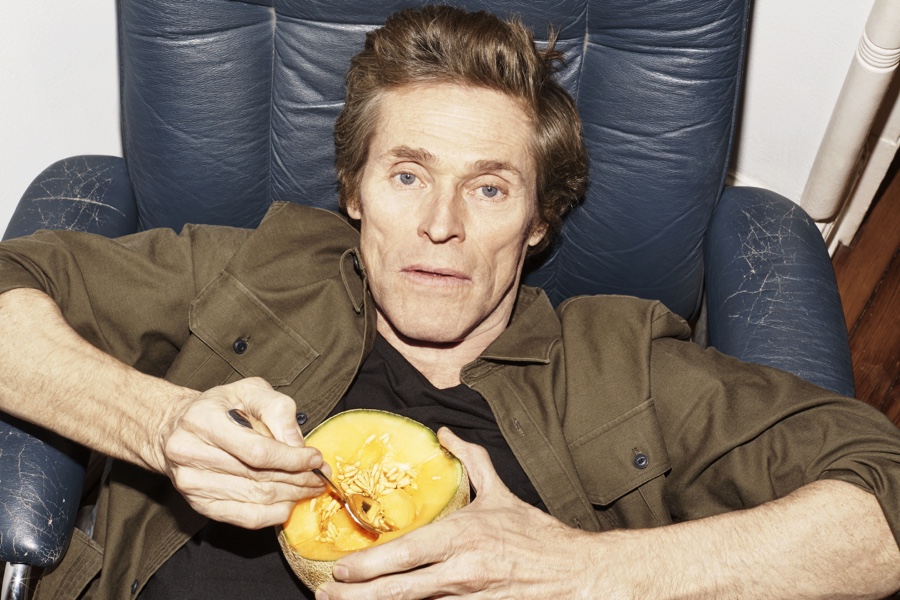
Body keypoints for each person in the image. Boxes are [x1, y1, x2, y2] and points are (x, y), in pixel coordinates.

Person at [0, 5, 898, 599]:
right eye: (407, 175)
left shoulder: (623, 363)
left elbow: (885, 499)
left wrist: (583, 572)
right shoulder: (256, 268)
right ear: (353, 190)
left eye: (491, 189)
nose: (441, 225)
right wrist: (155, 423)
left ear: (539, 221)